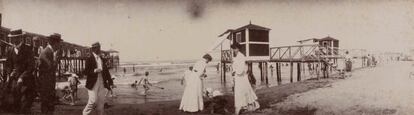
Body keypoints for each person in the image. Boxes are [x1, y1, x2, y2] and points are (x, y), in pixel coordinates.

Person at [83, 42, 114, 115]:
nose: (99, 49)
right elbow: (85, 72)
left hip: (102, 82)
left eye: (99, 47)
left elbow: (106, 71)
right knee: (92, 101)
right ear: (94, 49)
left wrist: (110, 82)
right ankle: (85, 113)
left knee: (101, 101)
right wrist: (94, 70)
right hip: (92, 83)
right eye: (98, 48)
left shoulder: (102, 59)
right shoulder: (89, 59)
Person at [231, 43, 260, 115]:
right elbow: (236, 66)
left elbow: (241, 69)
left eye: (235, 48)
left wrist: (235, 72)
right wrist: (234, 70)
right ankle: (245, 106)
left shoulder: (241, 56)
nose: (234, 50)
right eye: (233, 48)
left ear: (238, 48)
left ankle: (242, 107)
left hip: (241, 77)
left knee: (243, 91)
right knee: (243, 91)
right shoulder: (237, 56)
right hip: (238, 77)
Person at [38, 33, 62, 114]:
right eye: (59, 43)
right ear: (55, 43)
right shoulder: (45, 53)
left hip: (49, 85)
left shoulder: (50, 52)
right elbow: (50, 68)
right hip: (45, 85)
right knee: (46, 107)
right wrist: (56, 59)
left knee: (50, 107)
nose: (59, 45)